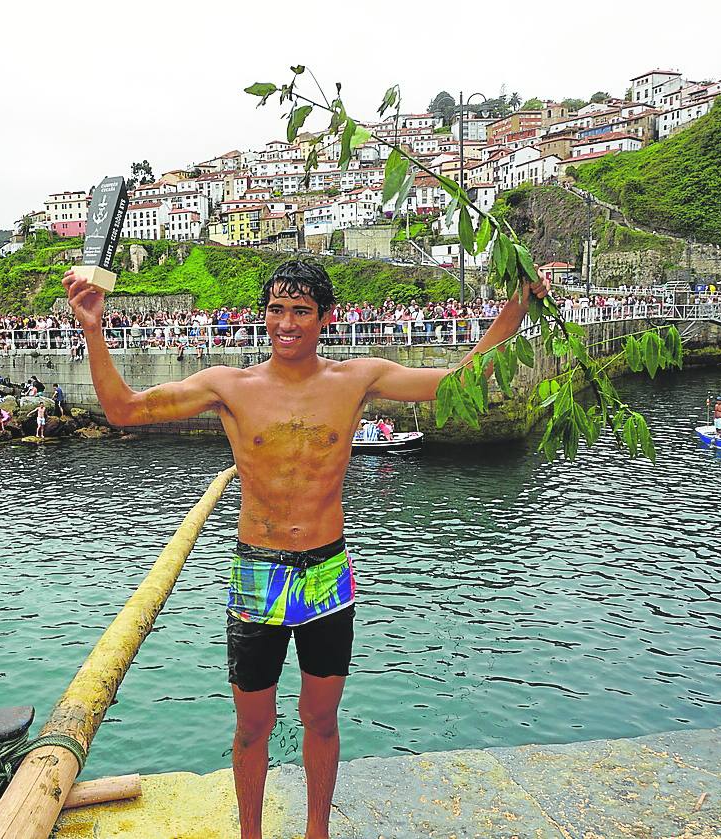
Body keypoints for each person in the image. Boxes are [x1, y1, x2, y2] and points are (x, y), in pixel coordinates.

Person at [64, 259, 549, 839]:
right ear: (262, 316)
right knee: (251, 728)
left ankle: (317, 830)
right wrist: (93, 328)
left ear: (325, 318)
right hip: (257, 574)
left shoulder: (356, 380)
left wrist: (518, 306)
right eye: (275, 309)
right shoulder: (229, 386)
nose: (285, 322)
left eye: (300, 310)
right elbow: (124, 410)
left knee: (320, 719)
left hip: (327, 572)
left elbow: (463, 381)